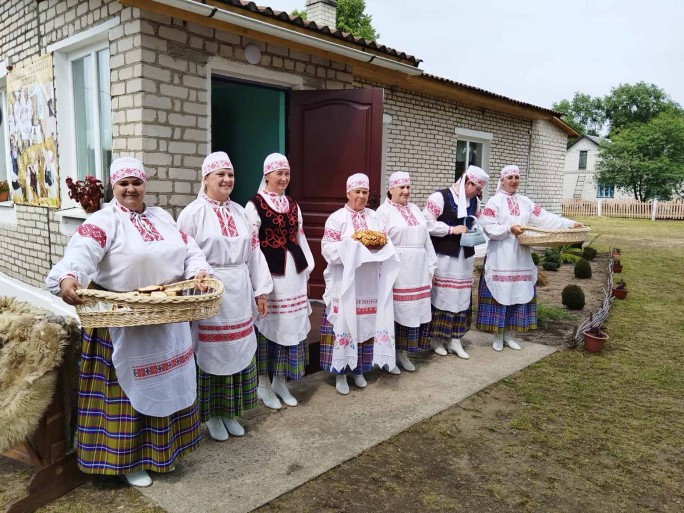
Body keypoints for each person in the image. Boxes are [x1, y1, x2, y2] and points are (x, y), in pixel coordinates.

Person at [46, 157, 210, 488]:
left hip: (165, 314)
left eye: (136, 182)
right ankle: (127, 460)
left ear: (145, 184)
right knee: (124, 388)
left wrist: (199, 271)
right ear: (113, 187)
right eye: (123, 184)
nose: (131, 189)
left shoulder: (161, 216)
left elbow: (189, 248)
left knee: (166, 382)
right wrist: (68, 278)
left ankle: (163, 453)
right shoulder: (104, 221)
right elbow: (81, 253)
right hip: (120, 316)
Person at [177, 152, 272, 441]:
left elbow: (254, 253)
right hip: (210, 291)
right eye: (220, 174)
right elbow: (181, 257)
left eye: (230, 175)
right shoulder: (191, 214)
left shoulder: (242, 214)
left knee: (238, 350)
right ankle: (213, 416)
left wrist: (261, 290)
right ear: (205, 178)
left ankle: (232, 411)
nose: (227, 180)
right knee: (211, 352)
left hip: (240, 289)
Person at [477, 165, 584, 351]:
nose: (514, 180)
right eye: (510, 177)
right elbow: (488, 226)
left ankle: (511, 334)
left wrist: (570, 223)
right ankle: (497, 335)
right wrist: (509, 228)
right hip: (501, 254)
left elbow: (545, 218)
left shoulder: (526, 202)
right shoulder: (495, 202)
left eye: (516, 177)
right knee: (501, 292)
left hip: (520, 255)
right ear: (502, 180)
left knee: (517, 292)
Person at [244, 153, 314, 409]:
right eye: (279, 174)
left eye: (287, 174)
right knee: (270, 327)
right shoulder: (254, 205)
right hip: (270, 277)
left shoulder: (293, 204)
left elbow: (300, 238)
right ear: (267, 175)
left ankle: (280, 381)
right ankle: (263, 383)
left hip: (293, 275)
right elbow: (253, 247)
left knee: (292, 325)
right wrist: (259, 287)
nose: (284, 178)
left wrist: (307, 272)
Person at [319, 173, 400, 395]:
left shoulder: (375, 217)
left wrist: (374, 247)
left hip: (368, 282)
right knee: (345, 322)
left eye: (365, 192)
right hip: (345, 282)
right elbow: (327, 249)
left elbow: (385, 242)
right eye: (357, 192)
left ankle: (359, 369)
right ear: (348, 193)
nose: (362, 196)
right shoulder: (336, 218)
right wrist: (351, 247)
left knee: (365, 324)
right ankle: (341, 373)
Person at [422, 166, 490, 359]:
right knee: (442, 295)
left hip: (464, 257)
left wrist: (475, 227)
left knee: (461, 296)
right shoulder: (439, 197)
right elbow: (426, 222)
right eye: (477, 189)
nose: (479, 193)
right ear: (468, 182)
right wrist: (451, 230)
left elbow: (478, 219)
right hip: (444, 256)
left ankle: (455, 339)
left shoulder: (474, 201)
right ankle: (436, 338)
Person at [376, 171, 437, 372]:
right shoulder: (383, 212)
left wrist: (431, 264)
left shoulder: (415, 210)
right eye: (401, 187)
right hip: (397, 269)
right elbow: (379, 243)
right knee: (396, 313)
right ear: (391, 189)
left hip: (418, 270)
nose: (405, 191)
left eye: (408, 187)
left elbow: (426, 239)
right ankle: (389, 356)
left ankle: (404, 353)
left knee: (413, 313)